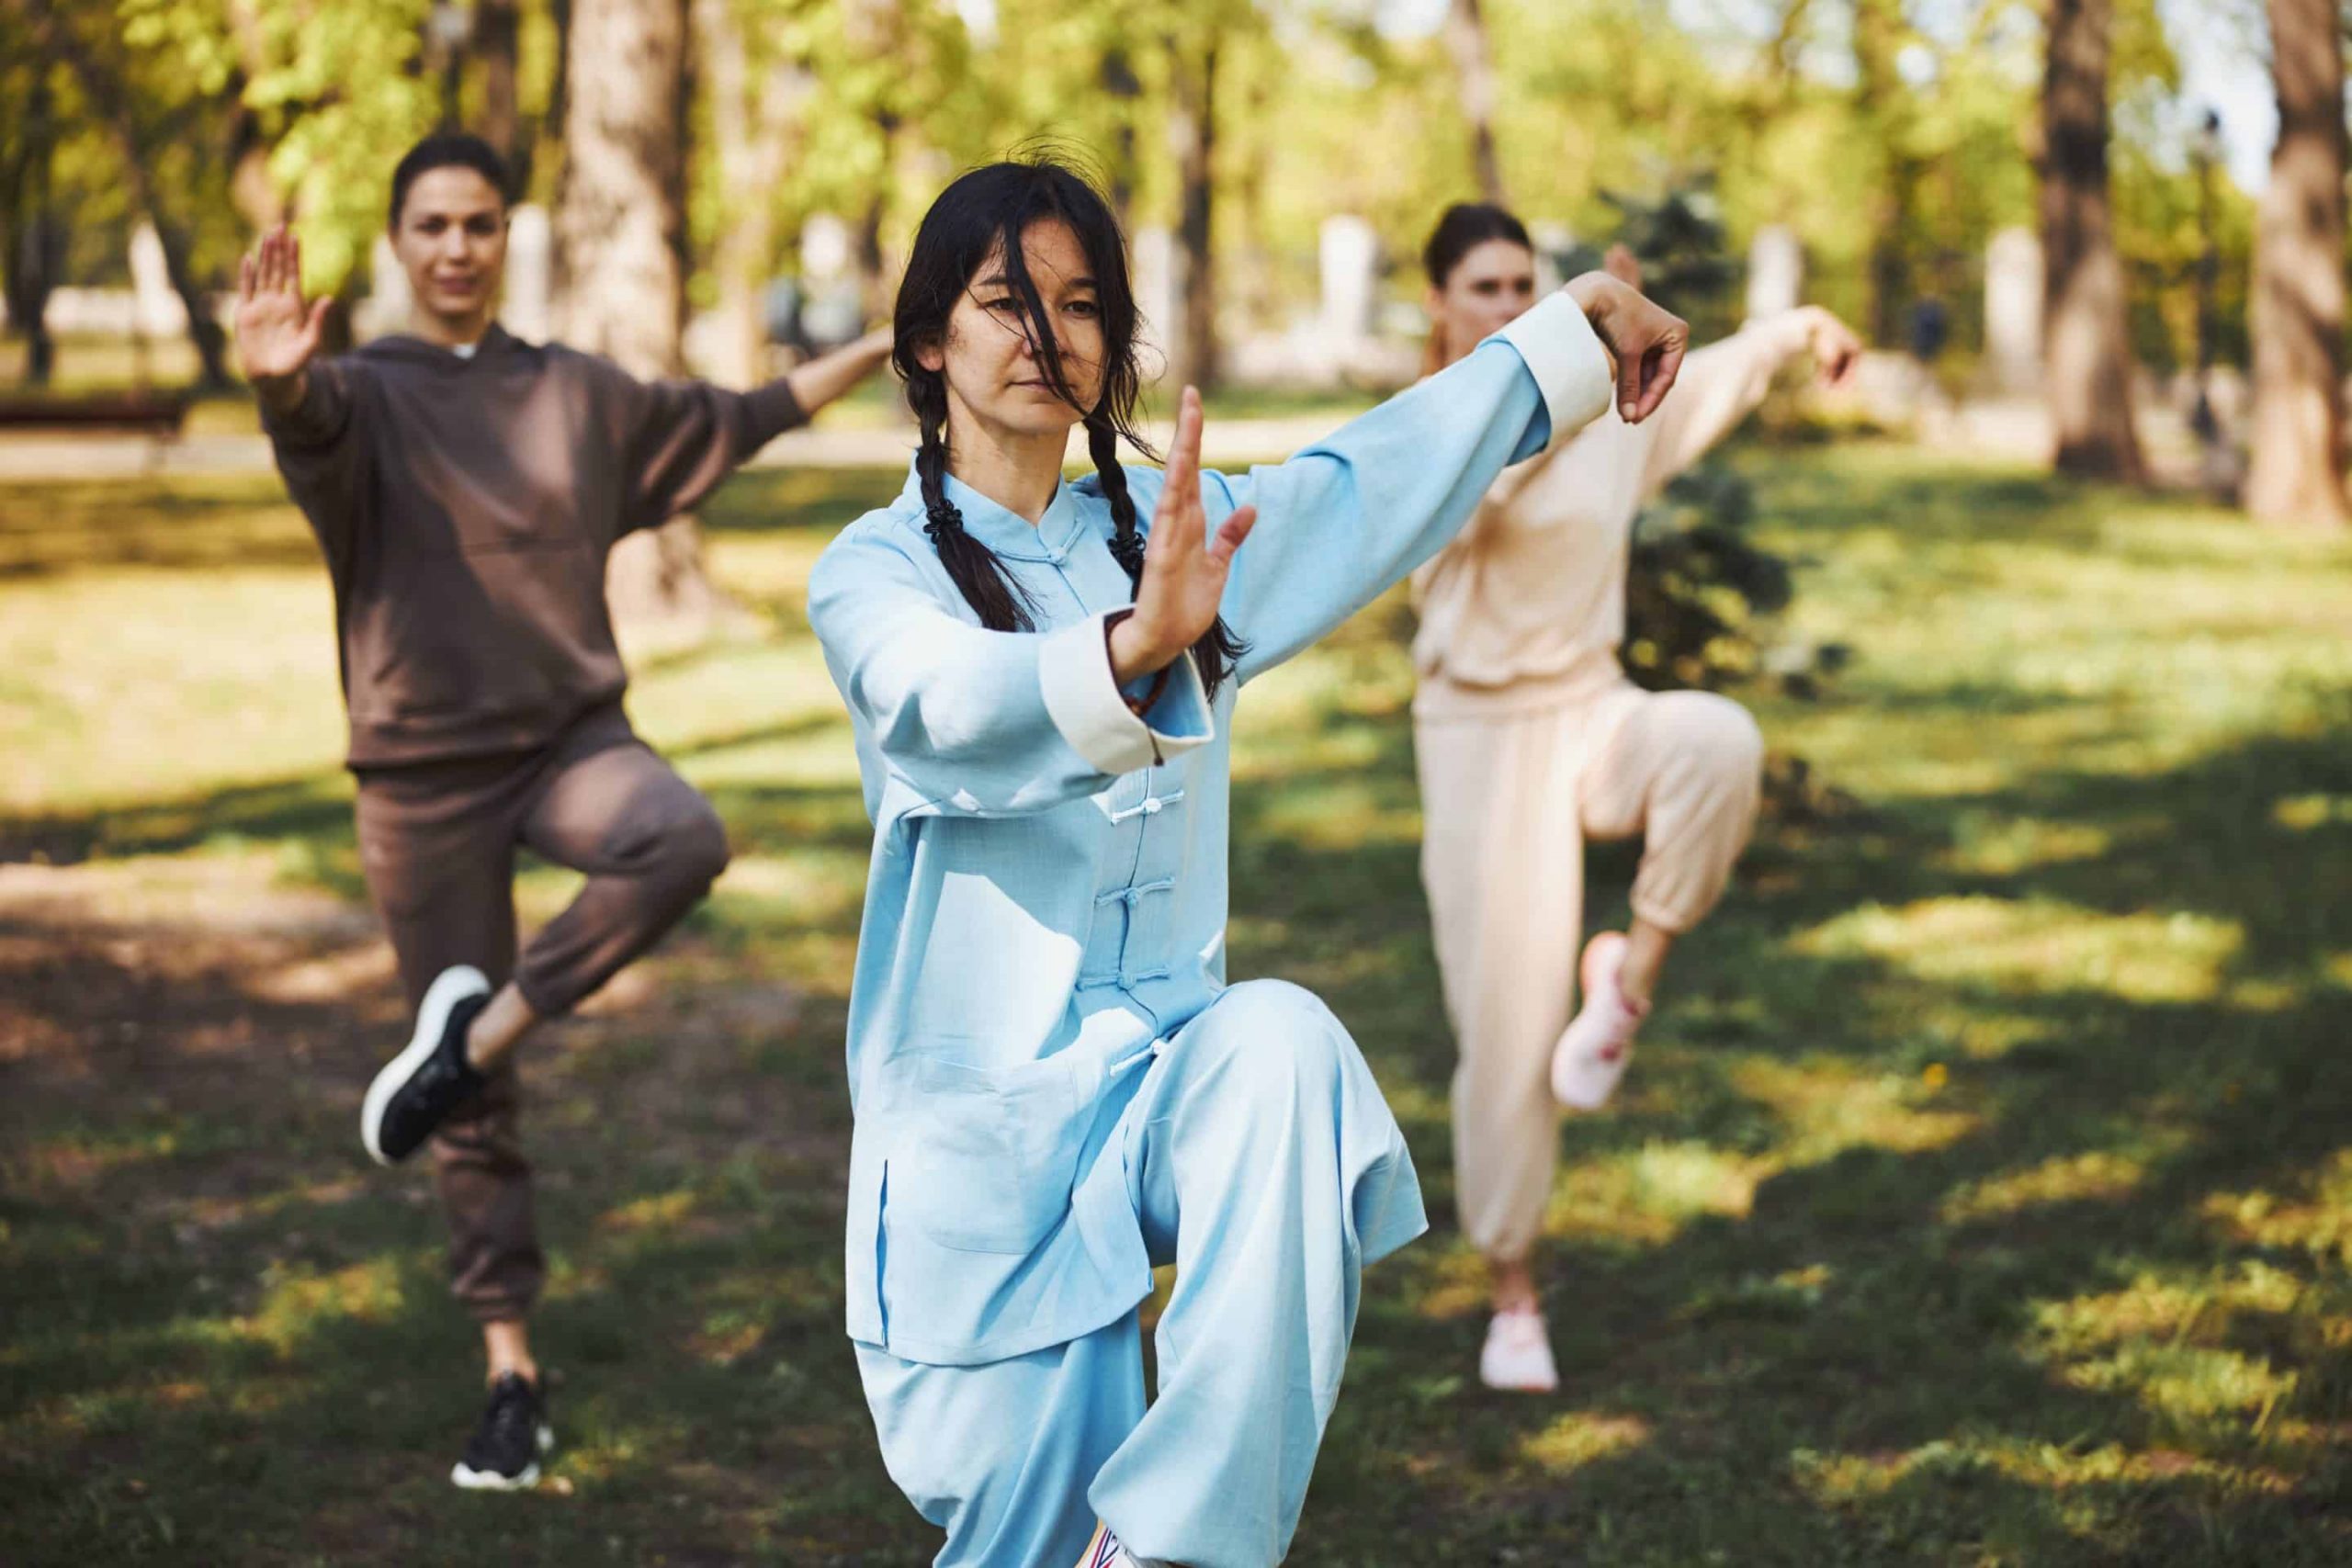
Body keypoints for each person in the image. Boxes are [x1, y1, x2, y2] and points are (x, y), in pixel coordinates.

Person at [807, 158, 1685, 1568]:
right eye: (1005, 301)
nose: (1047, 334)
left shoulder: (1169, 542)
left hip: (1161, 1095)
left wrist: (1564, 331)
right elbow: (937, 704)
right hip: (983, 1178)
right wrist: (1131, 650)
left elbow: (1367, 482)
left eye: (1080, 305)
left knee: (1285, 1043)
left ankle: (1174, 1545)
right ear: (926, 342)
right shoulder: (875, 572)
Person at [232, 130, 894, 1490]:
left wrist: (885, 344)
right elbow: (307, 427)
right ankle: (511, 1377)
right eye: (431, 225)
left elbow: (741, 416)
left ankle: (476, 1033)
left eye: (479, 223)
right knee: (473, 1118)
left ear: (507, 236)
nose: (456, 247)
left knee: (679, 839)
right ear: (400, 241)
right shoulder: (357, 395)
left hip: (569, 745)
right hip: (421, 778)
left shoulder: (575, 394)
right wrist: (278, 382)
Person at [1408, 203, 1862, 1393]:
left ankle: (1625, 984)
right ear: (1440, 303)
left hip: (1591, 710)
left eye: (1525, 285)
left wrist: (1798, 329)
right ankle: (1513, 1289)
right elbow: (1482, 487)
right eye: (1485, 288)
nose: (1509, 305)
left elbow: (1706, 378)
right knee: (1504, 1036)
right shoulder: (1434, 426)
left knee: (1716, 741)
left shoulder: (1606, 411)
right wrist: (1574, 346)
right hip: (1477, 737)